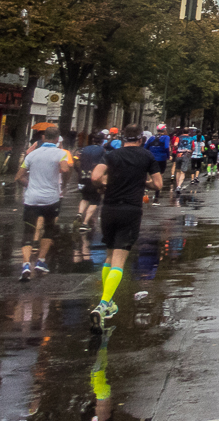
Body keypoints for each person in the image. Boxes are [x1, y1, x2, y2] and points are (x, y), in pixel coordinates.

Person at [89, 124, 162, 332]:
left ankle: (108, 301)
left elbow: (95, 177)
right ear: (141, 139)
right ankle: (103, 304)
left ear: (123, 138)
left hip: (109, 209)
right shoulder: (147, 156)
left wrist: (102, 186)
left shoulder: (112, 155)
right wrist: (143, 183)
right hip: (130, 210)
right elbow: (158, 185)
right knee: (120, 260)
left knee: (109, 256)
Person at [16, 127, 73, 280]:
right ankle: (41, 261)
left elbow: (19, 177)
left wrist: (29, 185)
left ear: (43, 137)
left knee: (28, 231)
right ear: (57, 139)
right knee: (49, 229)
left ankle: (26, 264)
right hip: (50, 198)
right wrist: (64, 184)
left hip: (32, 198)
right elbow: (66, 170)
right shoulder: (60, 154)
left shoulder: (32, 155)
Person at [76, 132, 107, 231]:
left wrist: (79, 172)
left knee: (85, 197)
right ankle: (85, 223)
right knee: (94, 200)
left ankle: (79, 213)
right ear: (102, 141)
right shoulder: (103, 150)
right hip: (94, 177)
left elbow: (76, 160)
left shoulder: (84, 149)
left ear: (93, 139)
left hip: (83, 176)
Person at [144, 125, 171, 200]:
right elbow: (166, 147)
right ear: (164, 130)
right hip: (161, 159)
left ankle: (146, 192)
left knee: (150, 176)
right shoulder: (166, 137)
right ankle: (156, 196)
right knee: (160, 176)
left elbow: (146, 147)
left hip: (152, 159)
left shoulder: (152, 137)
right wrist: (168, 156)